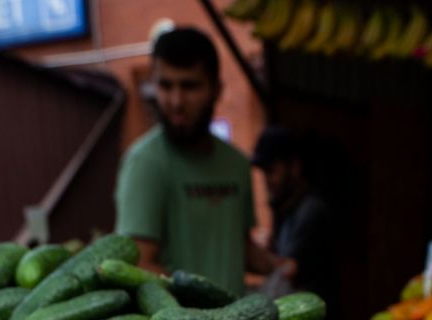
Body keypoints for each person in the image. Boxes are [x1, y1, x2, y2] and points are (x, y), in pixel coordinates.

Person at [115, 27, 288, 294]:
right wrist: (205, 310)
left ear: (216, 89)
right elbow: (138, 264)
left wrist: (279, 265)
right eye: (165, 85)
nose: (176, 101)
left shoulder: (237, 164)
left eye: (189, 86)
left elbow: (238, 247)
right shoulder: (146, 163)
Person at [251, 126, 336, 299]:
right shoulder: (285, 209)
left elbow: (290, 269)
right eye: (264, 173)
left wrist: (255, 256)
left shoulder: (311, 211)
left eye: (272, 171)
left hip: (315, 318)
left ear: (294, 167)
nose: (267, 181)